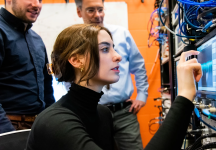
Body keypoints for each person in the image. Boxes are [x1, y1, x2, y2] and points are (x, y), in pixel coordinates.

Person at [25, 23, 202, 150]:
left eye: (113, 48)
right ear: (76, 60)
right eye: (104, 49)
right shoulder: (56, 122)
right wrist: (185, 95)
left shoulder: (102, 114)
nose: (117, 56)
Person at [74, 0, 149, 149]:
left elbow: (138, 65)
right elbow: (70, 78)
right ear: (79, 12)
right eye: (91, 11)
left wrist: (142, 95)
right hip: (92, 114)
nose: (98, 15)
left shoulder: (121, 34)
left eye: (100, 9)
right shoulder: (75, 41)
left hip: (124, 113)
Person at [0, 0, 55, 134]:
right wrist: (8, 133)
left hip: (39, 126)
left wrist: (54, 121)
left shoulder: (36, 39)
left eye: (40, 0)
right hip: (10, 127)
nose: (36, 5)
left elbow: (47, 87)